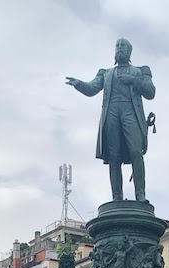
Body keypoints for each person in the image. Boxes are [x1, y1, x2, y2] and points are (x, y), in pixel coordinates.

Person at [66, 38, 155, 202]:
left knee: (136, 152)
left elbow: (150, 92)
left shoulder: (140, 71)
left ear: (129, 51)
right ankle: (117, 196)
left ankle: (140, 195)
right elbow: (92, 88)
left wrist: (134, 81)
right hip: (111, 113)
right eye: (118, 46)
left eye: (124, 46)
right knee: (114, 156)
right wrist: (79, 84)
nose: (120, 48)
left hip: (130, 112)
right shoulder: (105, 73)